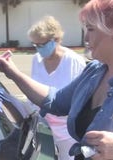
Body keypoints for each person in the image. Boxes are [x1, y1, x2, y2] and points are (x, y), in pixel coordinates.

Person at [0, 0, 113, 159]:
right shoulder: (95, 71)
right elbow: (55, 101)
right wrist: (13, 73)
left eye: (91, 29)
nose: (85, 38)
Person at [27, 16, 87, 160]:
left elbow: (83, 98)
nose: (39, 49)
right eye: (35, 45)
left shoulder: (74, 61)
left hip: (67, 131)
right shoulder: (37, 60)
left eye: (41, 45)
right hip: (42, 126)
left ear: (56, 39)